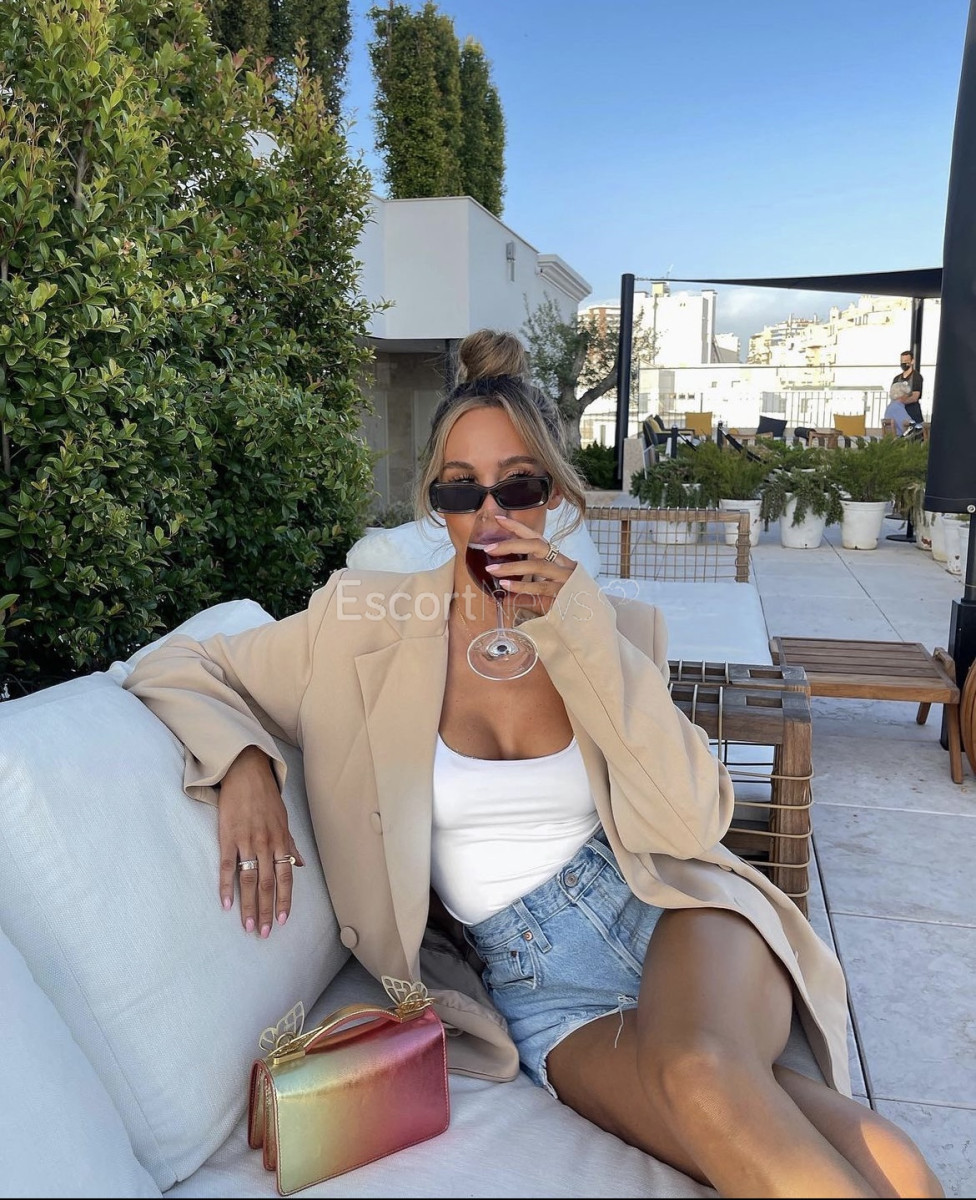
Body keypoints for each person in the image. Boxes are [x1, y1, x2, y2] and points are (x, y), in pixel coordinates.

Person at [123, 329, 943, 1198]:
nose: (492, 516)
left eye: (518, 485)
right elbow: (178, 662)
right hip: (540, 987)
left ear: (555, 493)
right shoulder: (359, 625)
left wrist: (579, 631)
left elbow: (694, 823)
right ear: (435, 506)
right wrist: (245, 764)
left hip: (667, 908)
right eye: (461, 489)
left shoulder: (619, 629)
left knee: (702, 1073)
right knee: (782, 1122)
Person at [892, 350, 924, 425]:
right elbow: (893, 395)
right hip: (898, 413)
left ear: (912, 361)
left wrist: (900, 401)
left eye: (906, 361)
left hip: (913, 413)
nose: (904, 363)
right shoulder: (897, 378)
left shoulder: (916, 377)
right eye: (902, 361)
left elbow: (915, 397)